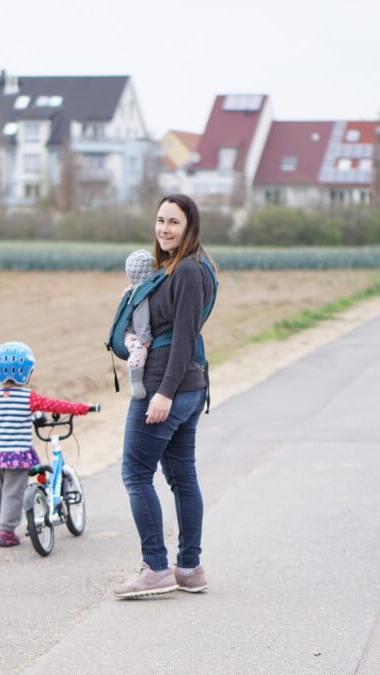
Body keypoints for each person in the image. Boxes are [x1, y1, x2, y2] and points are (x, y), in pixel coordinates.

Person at [114, 194, 217, 599]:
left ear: (190, 227)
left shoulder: (188, 271)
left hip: (167, 386)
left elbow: (185, 337)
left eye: (174, 222)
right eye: (160, 220)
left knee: (136, 473)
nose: (164, 228)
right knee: (181, 476)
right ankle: (189, 569)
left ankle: (156, 568)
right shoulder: (180, 268)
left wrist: (163, 394)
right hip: (187, 387)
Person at [0, 341, 91, 547]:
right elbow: (56, 405)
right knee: (13, 493)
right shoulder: (28, 397)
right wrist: (81, 408)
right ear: (26, 372)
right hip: (17, 455)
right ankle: (7, 531)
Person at [123, 249, 156, 400]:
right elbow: (140, 317)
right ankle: (135, 378)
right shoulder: (141, 294)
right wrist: (144, 337)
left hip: (133, 331)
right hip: (133, 334)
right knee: (139, 351)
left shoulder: (137, 289)